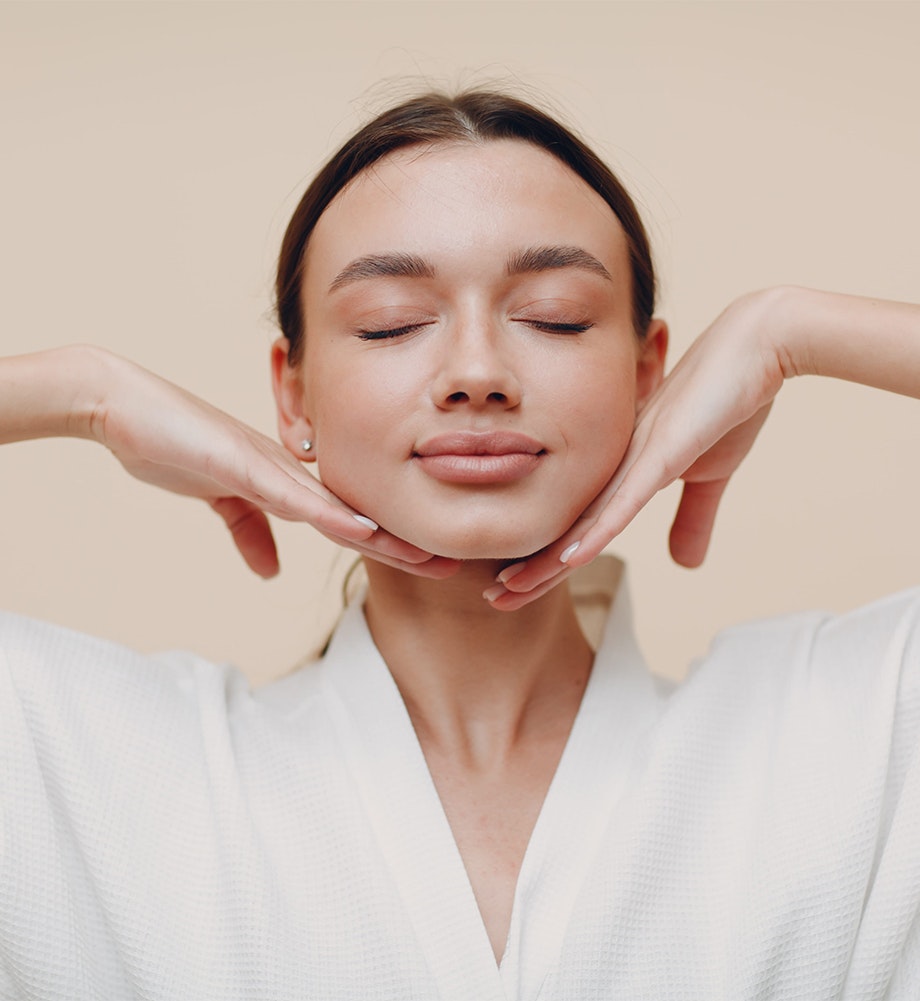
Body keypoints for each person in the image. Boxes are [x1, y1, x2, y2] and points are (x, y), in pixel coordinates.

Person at [1, 90, 918, 1000]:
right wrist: (84, 393)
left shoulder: (841, 731)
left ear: (651, 377)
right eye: (390, 321)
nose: (477, 374)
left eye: (555, 315)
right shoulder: (105, 765)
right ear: (294, 395)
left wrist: (793, 332)